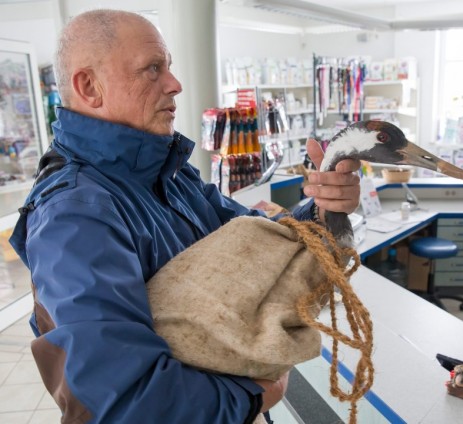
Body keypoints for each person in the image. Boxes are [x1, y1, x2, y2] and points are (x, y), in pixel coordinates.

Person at [10, 9, 361, 424]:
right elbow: (125, 401)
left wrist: (323, 207)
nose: (175, 84)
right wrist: (252, 396)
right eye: (152, 69)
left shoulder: (167, 173)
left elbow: (256, 240)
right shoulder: (74, 216)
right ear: (90, 87)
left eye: (169, 66)